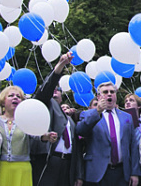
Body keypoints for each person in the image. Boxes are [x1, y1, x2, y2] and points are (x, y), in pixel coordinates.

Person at [32, 52, 83, 186]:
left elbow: (76, 148)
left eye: (58, 89)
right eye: (52, 89)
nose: (54, 90)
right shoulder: (46, 105)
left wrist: (78, 174)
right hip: (50, 161)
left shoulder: (69, 119)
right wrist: (60, 65)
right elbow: (45, 90)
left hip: (67, 165)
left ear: (62, 93)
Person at [76, 82, 140, 186]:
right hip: (98, 173)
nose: (109, 94)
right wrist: (97, 112)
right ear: (99, 96)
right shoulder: (88, 114)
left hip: (122, 173)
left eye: (112, 92)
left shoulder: (127, 117)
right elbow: (80, 130)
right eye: (105, 92)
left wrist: (135, 172)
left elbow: (133, 146)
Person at [0, 86, 56, 186]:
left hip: (22, 167)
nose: (15, 98)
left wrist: (47, 136)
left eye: (18, 97)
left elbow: (35, 135)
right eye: (11, 95)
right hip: (1, 166)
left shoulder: (25, 120)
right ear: (2, 101)